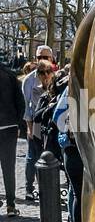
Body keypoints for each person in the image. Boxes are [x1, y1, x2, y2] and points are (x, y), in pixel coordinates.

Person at [51, 76, 83, 222]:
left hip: (88, 150)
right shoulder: (70, 91)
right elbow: (57, 117)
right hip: (73, 148)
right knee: (77, 190)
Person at [22, 48, 56, 202]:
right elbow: (27, 107)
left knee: (51, 157)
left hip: (52, 124)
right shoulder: (29, 80)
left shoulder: (57, 76)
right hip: (36, 124)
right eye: (39, 57)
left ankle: (48, 189)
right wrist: (29, 127)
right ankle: (30, 188)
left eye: (45, 56)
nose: (45, 75)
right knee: (32, 156)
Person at [0, 63, 25, 217]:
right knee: (9, 168)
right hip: (9, 126)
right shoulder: (10, 75)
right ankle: (10, 204)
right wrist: (18, 124)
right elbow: (20, 103)